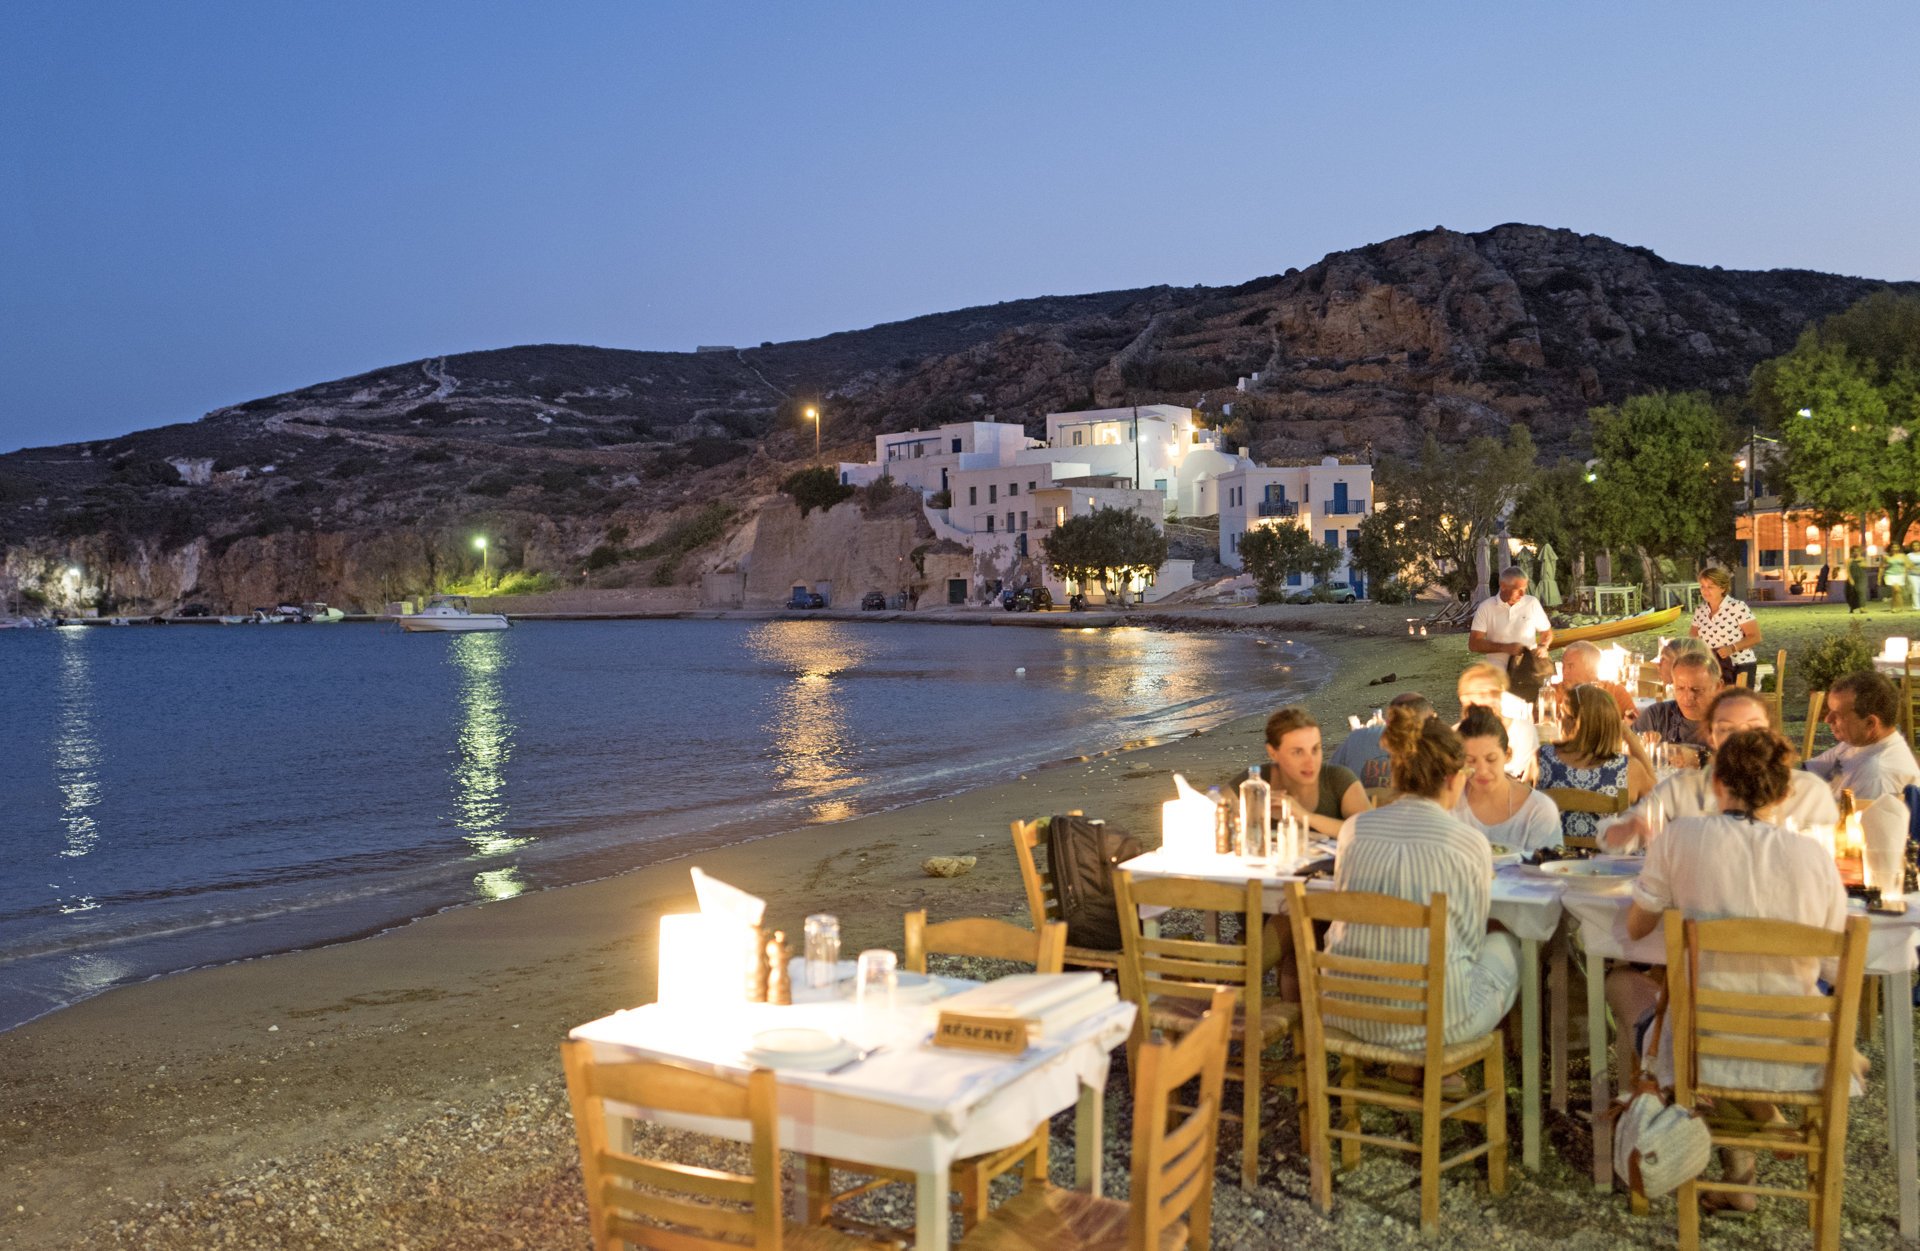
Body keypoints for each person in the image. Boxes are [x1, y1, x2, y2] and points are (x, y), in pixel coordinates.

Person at [1604, 729, 1853, 1213]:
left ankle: (1678, 1137)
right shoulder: (1815, 858)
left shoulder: (1681, 837)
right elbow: (1835, 970)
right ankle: (1744, 1162)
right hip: (1799, 1054)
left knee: (1625, 985)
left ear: (1716, 783)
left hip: (1703, 1048)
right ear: (1785, 792)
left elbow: (1636, 930)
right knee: (1715, 1025)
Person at [1328, 705, 1519, 1056]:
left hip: (1348, 1007)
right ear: (1451, 778)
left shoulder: (1353, 831)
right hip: (1435, 1022)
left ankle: (1406, 1065)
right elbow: (1470, 942)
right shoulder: (1467, 842)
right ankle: (1518, 1059)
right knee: (1508, 945)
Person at [1601, 687, 1839, 850]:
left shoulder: (1809, 792)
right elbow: (1615, 837)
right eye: (1726, 729)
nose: (1741, 738)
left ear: (1771, 732)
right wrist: (1630, 829)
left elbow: (1823, 866)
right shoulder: (1685, 788)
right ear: (1711, 738)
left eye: (1753, 727)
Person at [1537, 684, 1652, 843]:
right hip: (1609, 864)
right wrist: (1627, 733)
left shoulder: (1541, 758)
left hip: (1551, 860)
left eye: (1561, 714)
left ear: (1576, 723)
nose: (1556, 719)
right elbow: (1656, 794)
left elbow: (1522, 805)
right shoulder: (1629, 769)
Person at [1452, 706, 1562, 854]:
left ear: (1507, 755)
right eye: (1470, 760)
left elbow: (1549, 869)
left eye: (1491, 759)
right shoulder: (1449, 803)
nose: (1482, 771)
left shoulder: (1537, 810)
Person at [1806, 671, 1920, 801]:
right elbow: (1810, 771)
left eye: (1838, 715)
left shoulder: (1876, 776)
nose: (1827, 719)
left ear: (1870, 723)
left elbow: (1853, 820)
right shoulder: (1857, 743)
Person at [1263, 706, 1369, 837]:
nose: (1310, 762)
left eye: (1315, 749)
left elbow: (1369, 832)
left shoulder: (1338, 779)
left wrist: (1304, 816)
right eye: (1298, 752)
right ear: (1272, 752)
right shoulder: (1254, 784)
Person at [1469, 566, 1554, 701]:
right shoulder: (1486, 607)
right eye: (1518, 590)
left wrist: (1544, 646)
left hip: (1529, 672)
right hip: (1498, 676)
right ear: (1503, 586)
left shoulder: (1531, 603)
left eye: (1524, 589)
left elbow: (1546, 632)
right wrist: (1505, 648)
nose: (1522, 594)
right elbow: (1474, 644)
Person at [1329, 692, 1434, 790]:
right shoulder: (1437, 745)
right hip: (1411, 807)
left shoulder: (1357, 737)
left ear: (1388, 720)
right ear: (1431, 720)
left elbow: (1330, 776)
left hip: (1360, 806)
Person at [1632, 651, 1718, 763]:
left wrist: (1700, 759)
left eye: (1697, 689)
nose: (1688, 697)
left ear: (1718, 687)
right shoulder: (1656, 716)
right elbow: (1621, 755)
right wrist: (1642, 743)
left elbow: (1742, 767)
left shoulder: (1733, 720)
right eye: (1680, 688)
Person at [1457, 662, 1537, 780]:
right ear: (1464, 698)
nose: (1490, 698)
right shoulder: (1455, 736)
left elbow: (1530, 778)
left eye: (1495, 692)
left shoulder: (1523, 731)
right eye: (1482, 694)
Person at [1689, 566, 1761, 689]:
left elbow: (1755, 637)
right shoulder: (1700, 610)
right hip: (1712, 667)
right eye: (1702, 586)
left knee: (1737, 705)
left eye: (1710, 587)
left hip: (1740, 665)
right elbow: (1693, 640)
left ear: (1722, 588)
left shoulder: (1737, 607)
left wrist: (1732, 648)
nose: (1705, 591)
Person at [1559, 640, 1636, 720]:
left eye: (1570, 666)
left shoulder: (1615, 692)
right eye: (1563, 665)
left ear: (1591, 670)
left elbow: (1634, 721)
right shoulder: (1553, 694)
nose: (1564, 671)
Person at [1887, 545, 1910, 613]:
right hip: (1890, 574)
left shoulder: (1902, 555)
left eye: (1896, 547)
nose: (1894, 548)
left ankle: (1895, 606)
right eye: (1893, 547)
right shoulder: (1887, 556)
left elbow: (1907, 565)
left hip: (1900, 574)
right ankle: (1898, 607)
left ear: (1899, 548)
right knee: (1897, 590)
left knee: (1895, 592)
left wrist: (1905, 573)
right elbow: (1882, 566)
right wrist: (1879, 577)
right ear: (1890, 548)